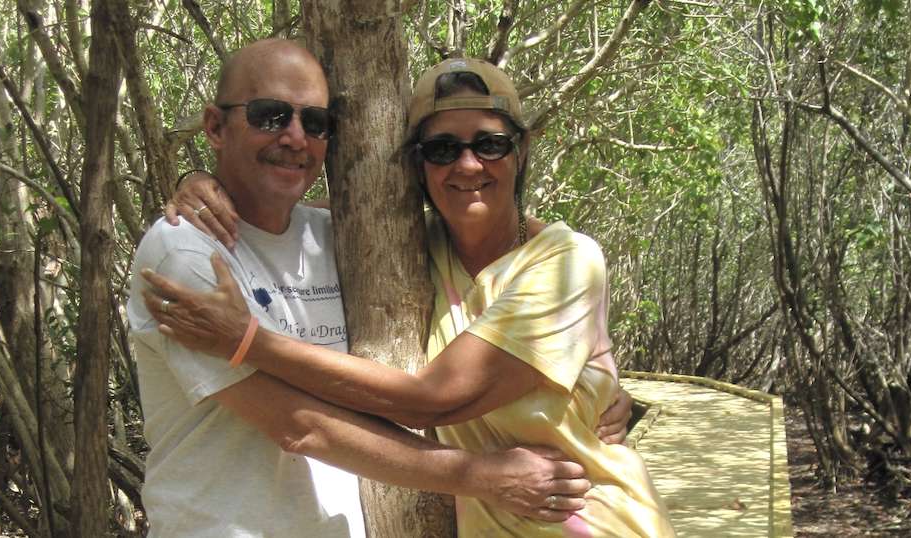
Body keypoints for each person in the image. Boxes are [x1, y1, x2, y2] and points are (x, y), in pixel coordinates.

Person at [145, 57, 673, 536]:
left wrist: (249, 342)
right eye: (442, 149)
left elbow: (433, 398)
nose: (468, 165)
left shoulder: (565, 262)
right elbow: (281, 206)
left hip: (592, 519)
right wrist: (200, 180)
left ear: (521, 149)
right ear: (417, 165)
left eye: (490, 144)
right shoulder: (402, 248)